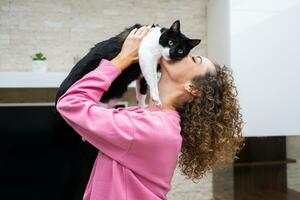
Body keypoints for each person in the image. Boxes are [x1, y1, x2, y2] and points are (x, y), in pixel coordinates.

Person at [56, 25, 244, 200]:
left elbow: (69, 103)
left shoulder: (152, 128)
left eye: (194, 59)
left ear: (193, 88)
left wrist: (123, 58)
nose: (186, 54)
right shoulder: (150, 119)